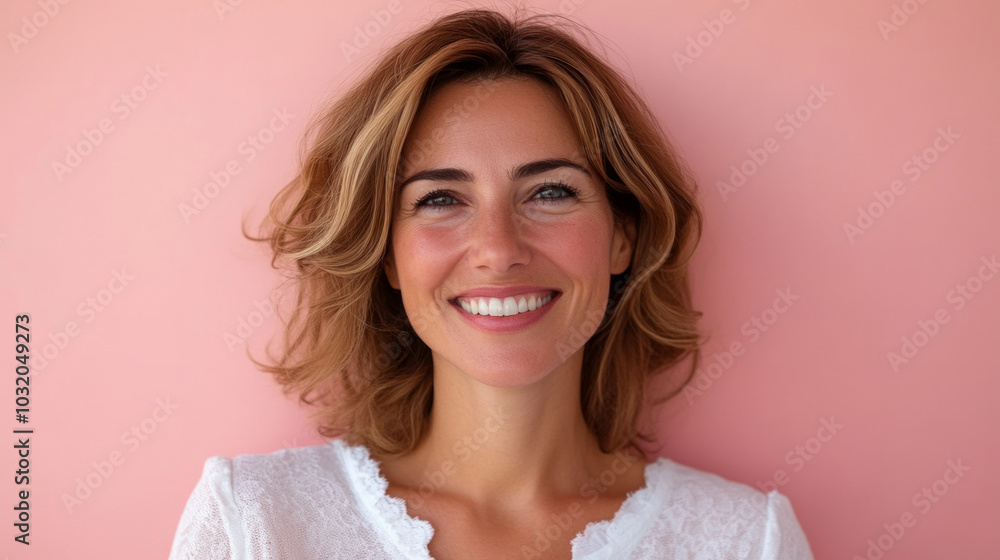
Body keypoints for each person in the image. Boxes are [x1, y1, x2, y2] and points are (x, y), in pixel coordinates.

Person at [168, 7, 814, 559]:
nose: (499, 249)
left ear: (623, 235)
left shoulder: (743, 541)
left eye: (550, 192)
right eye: (441, 199)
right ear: (387, 254)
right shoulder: (254, 524)